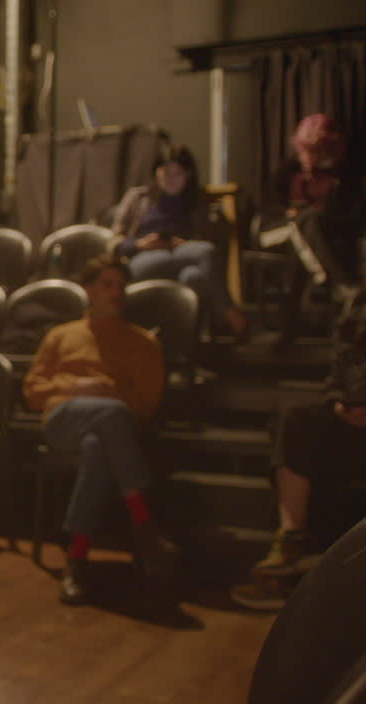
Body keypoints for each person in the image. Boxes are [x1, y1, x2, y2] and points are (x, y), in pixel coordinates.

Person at [23, 254, 179, 605]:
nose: (116, 293)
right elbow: (32, 392)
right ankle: (145, 525)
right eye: (107, 285)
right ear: (89, 290)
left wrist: (105, 391)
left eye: (121, 286)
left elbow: (143, 406)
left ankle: (75, 561)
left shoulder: (143, 343)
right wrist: (76, 387)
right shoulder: (61, 335)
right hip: (63, 420)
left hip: (111, 427)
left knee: (98, 445)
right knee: (109, 418)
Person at [231, 289, 366, 611]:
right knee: (294, 419)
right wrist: (337, 401)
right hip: (353, 415)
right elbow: (341, 361)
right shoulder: (359, 303)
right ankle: (292, 540)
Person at [110, 145, 247, 338]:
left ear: (188, 175)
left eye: (177, 174)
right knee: (205, 252)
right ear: (156, 173)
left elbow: (202, 240)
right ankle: (229, 314)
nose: (171, 180)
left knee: (193, 276)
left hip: (184, 256)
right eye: (165, 173)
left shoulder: (197, 203)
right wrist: (140, 244)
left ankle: (186, 344)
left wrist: (184, 245)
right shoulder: (138, 197)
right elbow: (114, 242)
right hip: (144, 260)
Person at [260, 113, 366, 344]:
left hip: (307, 236)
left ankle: (289, 328)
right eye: (305, 149)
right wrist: (287, 212)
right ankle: (339, 284)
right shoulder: (290, 169)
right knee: (305, 224)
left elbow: (350, 217)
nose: (308, 156)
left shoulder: (343, 175)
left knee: (303, 238)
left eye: (316, 150)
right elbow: (269, 204)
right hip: (275, 230)